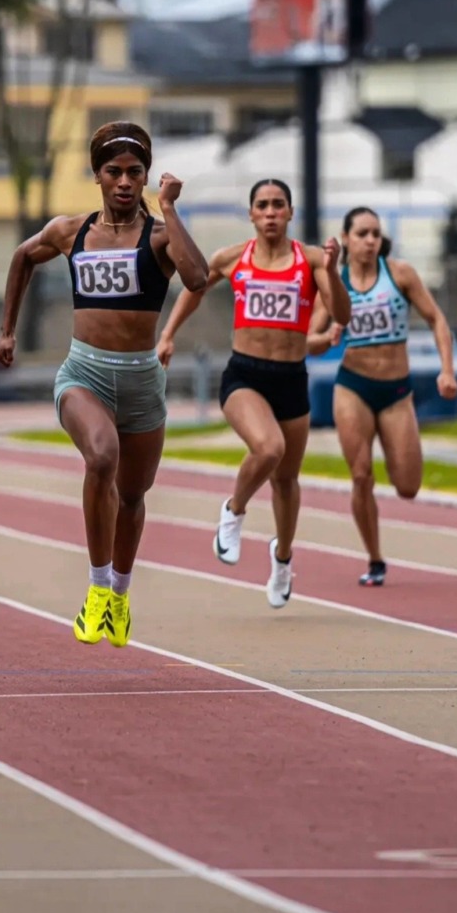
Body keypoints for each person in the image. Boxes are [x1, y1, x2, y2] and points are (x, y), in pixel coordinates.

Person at [0, 121, 208, 647]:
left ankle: (118, 594)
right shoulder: (73, 232)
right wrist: (6, 332)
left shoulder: (159, 237)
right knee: (101, 457)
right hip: (83, 373)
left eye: (135, 172)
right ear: (97, 176)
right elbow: (23, 256)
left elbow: (199, 278)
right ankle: (93, 588)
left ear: (147, 178)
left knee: (133, 497)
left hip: (141, 385)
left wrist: (172, 209)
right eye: (114, 172)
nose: (125, 182)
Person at [156, 179, 351, 607]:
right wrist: (168, 334)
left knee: (286, 481)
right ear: (251, 214)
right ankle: (235, 509)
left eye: (277, 205)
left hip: (291, 379)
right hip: (245, 375)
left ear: (290, 212)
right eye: (262, 205)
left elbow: (342, 313)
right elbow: (195, 289)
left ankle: (282, 559)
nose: (269, 212)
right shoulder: (232, 258)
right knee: (269, 448)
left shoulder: (313, 260)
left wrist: (333, 273)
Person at [307, 206, 457, 587]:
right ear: (345, 239)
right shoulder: (334, 282)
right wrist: (327, 339)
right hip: (353, 387)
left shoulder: (400, 274)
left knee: (408, 486)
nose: (371, 240)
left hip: (395, 392)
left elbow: (437, 319)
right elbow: (308, 341)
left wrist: (447, 369)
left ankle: (381, 534)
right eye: (362, 233)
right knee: (361, 476)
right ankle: (375, 559)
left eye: (376, 233)